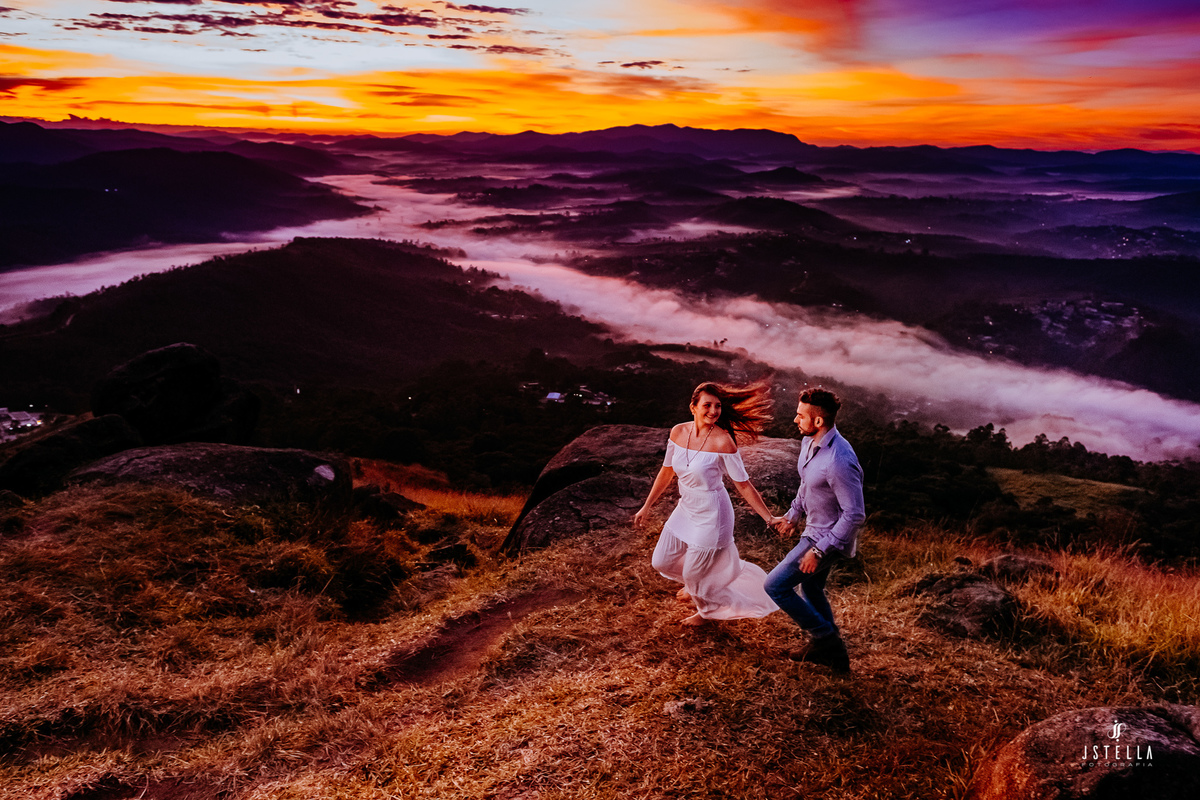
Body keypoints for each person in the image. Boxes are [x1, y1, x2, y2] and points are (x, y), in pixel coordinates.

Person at [633, 381, 780, 626]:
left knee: (693, 573)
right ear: (693, 407)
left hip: (714, 513)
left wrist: (769, 517)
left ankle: (706, 613)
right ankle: (699, 582)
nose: (713, 411)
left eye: (718, 406)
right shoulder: (678, 432)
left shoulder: (724, 442)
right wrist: (646, 505)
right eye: (707, 405)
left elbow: (743, 484)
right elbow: (666, 471)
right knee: (662, 561)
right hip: (687, 507)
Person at [765, 387, 865, 672]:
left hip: (827, 539)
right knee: (810, 586)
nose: (796, 420)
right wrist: (793, 514)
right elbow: (807, 484)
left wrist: (819, 551)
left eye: (800, 416)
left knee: (775, 585)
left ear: (818, 421)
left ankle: (825, 639)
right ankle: (836, 657)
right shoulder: (809, 444)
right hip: (813, 530)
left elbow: (855, 514)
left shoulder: (839, 461)